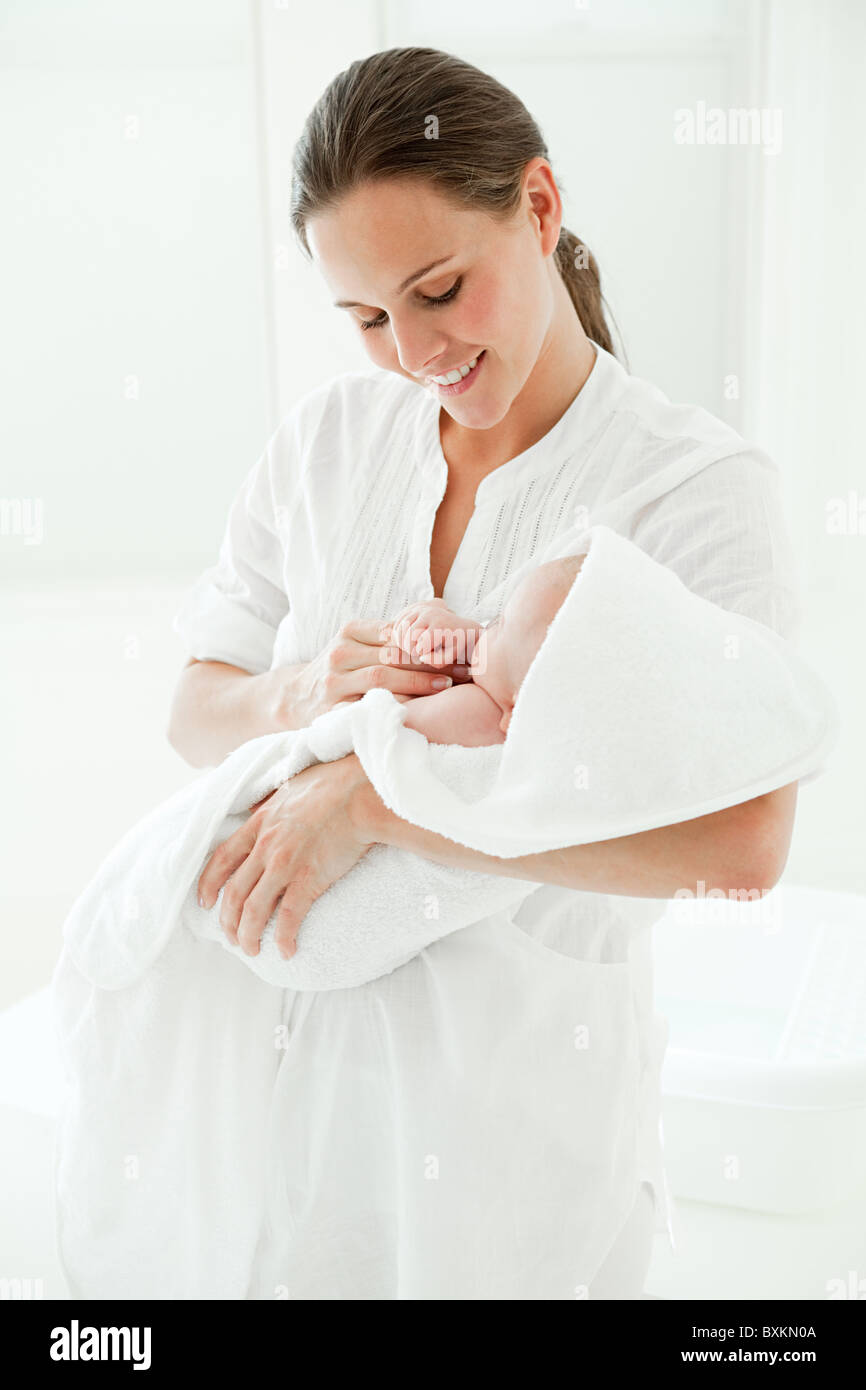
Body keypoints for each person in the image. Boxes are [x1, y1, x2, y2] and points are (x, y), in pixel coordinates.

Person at [159, 47, 799, 1299]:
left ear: (541, 209)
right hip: (290, 1138)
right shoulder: (329, 444)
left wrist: (385, 803)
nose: (409, 353)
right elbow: (194, 703)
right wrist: (302, 699)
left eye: (440, 289)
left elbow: (744, 840)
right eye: (363, 321)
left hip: (520, 1160)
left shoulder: (691, 489)